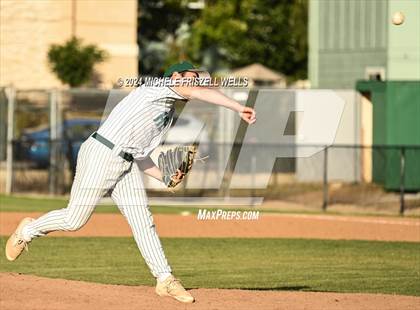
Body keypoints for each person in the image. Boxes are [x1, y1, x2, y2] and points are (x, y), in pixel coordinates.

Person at [5, 61, 256, 303]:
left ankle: (164, 278)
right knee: (74, 220)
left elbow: (141, 155)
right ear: (175, 78)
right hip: (102, 153)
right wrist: (237, 107)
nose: (196, 81)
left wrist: (166, 178)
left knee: (142, 220)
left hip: (125, 162)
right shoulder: (157, 88)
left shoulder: (166, 114)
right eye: (191, 76)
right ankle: (27, 230)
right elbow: (195, 90)